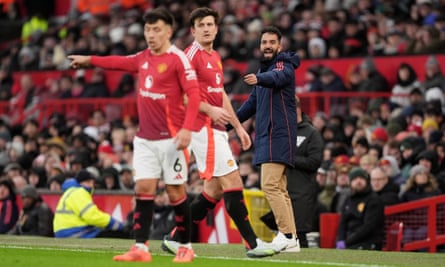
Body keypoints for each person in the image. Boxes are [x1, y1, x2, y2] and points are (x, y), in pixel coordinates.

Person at [68, 7, 201, 263]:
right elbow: (118, 62)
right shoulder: (143, 57)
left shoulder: (178, 59)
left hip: (172, 138)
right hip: (145, 139)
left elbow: (194, 95)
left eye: (157, 29)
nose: (151, 35)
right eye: (148, 29)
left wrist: (187, 129)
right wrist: (89, 60)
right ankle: (141, 247)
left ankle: (185, 246)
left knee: (175, 192)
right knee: (143, 189)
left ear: (169, 31)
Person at [161, 7, 276, 258]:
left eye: (210, 24)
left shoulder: (214, 57)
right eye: (201, 25)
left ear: (216, 28)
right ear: (193, 30)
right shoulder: (189, 55)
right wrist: (209, 111)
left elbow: (220, 94)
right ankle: (253, 244)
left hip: (216, 128)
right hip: (200, 126)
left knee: (214, 191)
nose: (206, 28)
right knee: (233, 181)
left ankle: (174, 238)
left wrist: (238, 127)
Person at [234, 26, 300, 252]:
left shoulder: (283, 64)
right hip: (269, 135)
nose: (268, 45)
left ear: (279, 46)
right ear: (260, 46)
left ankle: (287, 234)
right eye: (264, 42)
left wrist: (260, 78)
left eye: (272, 42)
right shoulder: (265, 74)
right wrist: (229, 122)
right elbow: (250, 105)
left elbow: (278, 77)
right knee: (279, 188)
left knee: (270, 185)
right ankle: (292, 240)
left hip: (278, 134)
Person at [53, 170, 125, 238]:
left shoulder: (71, 191)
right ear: (80, 182)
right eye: (88, 182)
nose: (91, 185)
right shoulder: (79, 192)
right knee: (112, 234)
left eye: (92, 182)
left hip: (64, 230)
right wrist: (113, 222)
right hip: (73, 230)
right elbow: (91, 216)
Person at [336, 167, 384, 250]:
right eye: (355, 179)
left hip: (368, 242)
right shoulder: (348, 199)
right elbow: (342, 222)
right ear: (350, 182)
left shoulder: (373, 200)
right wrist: (340, 239)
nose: (358, 181)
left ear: (366, 181)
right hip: (350, 241)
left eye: (361, 178)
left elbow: (368, 227)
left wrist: (347, 242)